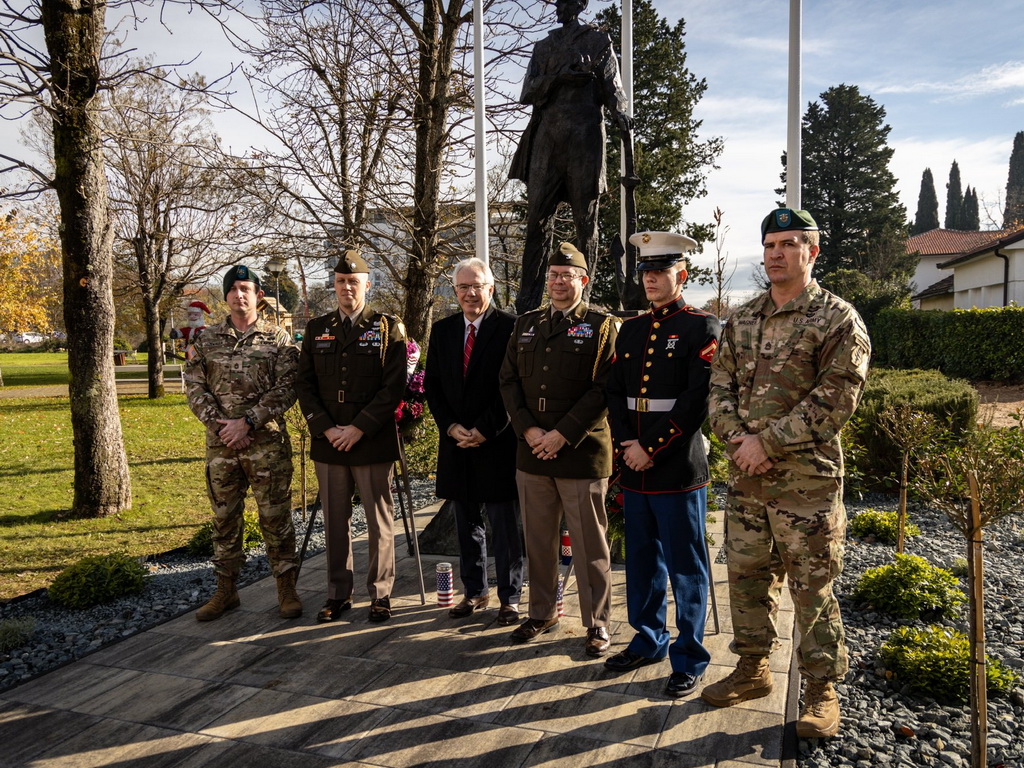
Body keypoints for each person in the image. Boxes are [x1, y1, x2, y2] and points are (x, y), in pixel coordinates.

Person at [702, 209, 871, 738]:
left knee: (812, 588)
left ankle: (821, 691)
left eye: (788, 243)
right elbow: (718, 390)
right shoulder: (743, 317)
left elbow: (838, 397)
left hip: (807, 487)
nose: (776, 253)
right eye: (770, 244)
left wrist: (765, 442)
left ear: (812, 251)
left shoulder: (838, 318)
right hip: (748, 483)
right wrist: (737, 441)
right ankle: (752, 669)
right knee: (748, 579)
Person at [603, 231, 721, 697]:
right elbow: (614, 392)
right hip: (634, 467)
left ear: (682, 275)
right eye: (646, 272)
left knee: (686, 565)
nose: (651, 280)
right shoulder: (630, 329)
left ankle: (689, 655)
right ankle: (649, 637)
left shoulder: (702, 327)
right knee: (642, 560)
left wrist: (650, 447)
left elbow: (695, 402)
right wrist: (627, 444)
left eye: (661, 272)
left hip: (676, 468)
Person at [499, 243, 619, 657]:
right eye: (552, 275)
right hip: (532, 450)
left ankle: (598, 622)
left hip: (580, 451)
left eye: (566, 276)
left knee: (589, 543)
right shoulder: (526, 324)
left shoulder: (603, 325)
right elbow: (509, 381)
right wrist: (529, 429)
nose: (557, 282)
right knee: (538, 539)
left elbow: (604, 387)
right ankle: (542, 611)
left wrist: (562, 434)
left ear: (582, 281)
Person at [295, 251, 407, 624]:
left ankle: (380, 594)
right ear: (334, 284)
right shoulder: (317, 328)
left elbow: (394, 387)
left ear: (367, 284)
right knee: (335, 521)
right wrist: (326, 428)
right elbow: (305, 385)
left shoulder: (388, 327)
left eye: (354, 281)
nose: (347, 287)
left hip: (371, 439)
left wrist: (358, 427)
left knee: (379, 523)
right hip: (329, 440)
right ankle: (338, 593)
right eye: (341, 281)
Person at [185, 265, 302, 622]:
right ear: (226, 296)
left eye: (247, 288)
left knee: (275, 516)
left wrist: (248, 421)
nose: (240, 294)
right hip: (222, 446)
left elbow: (287, 388)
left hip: (266, 444)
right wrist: (222, 427)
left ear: (258, 295)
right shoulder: (205, 341)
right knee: (224, 519)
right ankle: (225, 590)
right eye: (234, 288)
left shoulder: (278, 339)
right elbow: (194, 386)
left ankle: (286, 588)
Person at [509, 0, 631, 313]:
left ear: (578, 5)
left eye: (565, 2)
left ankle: (584, 303)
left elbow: (613, 87)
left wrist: (621, 113)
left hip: (585, 138)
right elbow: (528, 92)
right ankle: (527, 304)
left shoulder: (598, 42)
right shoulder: (544, 46)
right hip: (547, 140)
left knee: (586, 221)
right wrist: (559, 78)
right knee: (537, 220)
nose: (559, 7)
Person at [424, 258, 525, 625]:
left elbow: (513, 386)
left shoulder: (511, 328)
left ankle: (510, 596)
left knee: (504, 526)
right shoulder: (444, 329)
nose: (470, 293)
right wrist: (450, 427)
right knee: (466, 524)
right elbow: (432, 384)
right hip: (456, 443)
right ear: (455, 291)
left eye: (476, 286)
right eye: (463, 287)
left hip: (496, 441)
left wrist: (485, 428)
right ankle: (475, 591)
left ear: (491, 288)